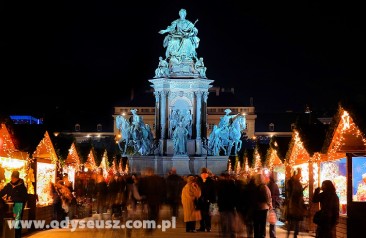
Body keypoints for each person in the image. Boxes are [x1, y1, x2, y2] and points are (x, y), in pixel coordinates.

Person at [0, 170, 28, 238]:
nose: (12, 179)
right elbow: (3, 192)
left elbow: (25, 197)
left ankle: (17, 235)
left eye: (14, 178)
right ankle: (10, 235)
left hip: (18, 206)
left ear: (17, 178)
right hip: (9, 206)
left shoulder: (22, 187)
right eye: (12, 177)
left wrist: (15, 200)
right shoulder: (9, 185)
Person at [285, 168, 307, 238]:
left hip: (292, 204)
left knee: (292, 220)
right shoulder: (295, 183)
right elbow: (297, 193)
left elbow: (291, 192)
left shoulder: (292, 182)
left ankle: (290, 234)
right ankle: (294, 235)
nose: (300, 175)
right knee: (295, 220)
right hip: (295, 204)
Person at [196, 167, 216, 232]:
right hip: (200, 200)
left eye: (205, 173)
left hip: (208, 200)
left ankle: (208, 227)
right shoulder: (198, 181)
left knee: (207, 215)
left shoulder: (211, 181)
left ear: (207, 174)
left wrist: (212, 200)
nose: (204, 175)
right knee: (201, 214)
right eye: (203, 174)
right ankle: (202, 227)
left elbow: (213, 191)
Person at [253, 173, 272, 238]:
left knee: (256, 224)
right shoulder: (264, 187)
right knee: (262, 224)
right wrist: (269, 204)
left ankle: (257, 236)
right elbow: (268, 197)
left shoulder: (256, 187)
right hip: (263, 208)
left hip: (256, 208)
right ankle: (262, 236)